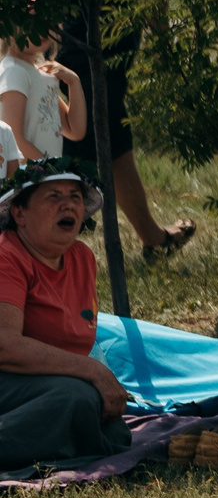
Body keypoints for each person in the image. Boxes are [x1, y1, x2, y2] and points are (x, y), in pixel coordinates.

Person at [0, 163, 131, 467]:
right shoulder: (7, 256)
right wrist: (93, 372)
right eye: (53, 196)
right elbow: (4, 345)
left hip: (45, 384)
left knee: (109, 424)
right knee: (77, 399)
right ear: (19, 214)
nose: (68, 204)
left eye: (74, 196)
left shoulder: (82, 258)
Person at [58, 14, 195, 260]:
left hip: (101, 44)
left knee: (113, 135)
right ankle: (33, 242)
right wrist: (163, 40)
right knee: (80, 141)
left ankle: (153, 238)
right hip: (90, 44)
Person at [0, 32, 84, 176]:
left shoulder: (38, 74)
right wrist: (53, 171)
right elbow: (13, 139)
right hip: (29, 181)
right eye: (31, 17)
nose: (44, 28)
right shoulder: (14, 71)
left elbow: (74, 130)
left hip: (44, 180)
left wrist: (74, 82)